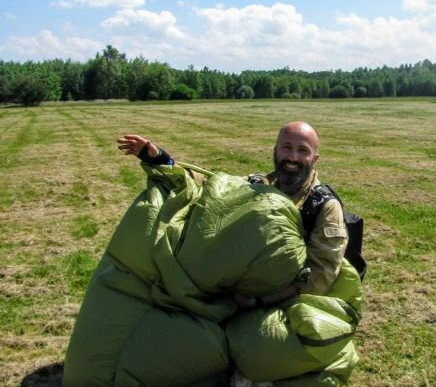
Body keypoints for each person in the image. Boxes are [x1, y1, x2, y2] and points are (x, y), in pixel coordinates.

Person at [117, 121, 348, 304]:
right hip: (243, 284)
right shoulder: (258, 184)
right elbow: (212, 186)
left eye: (302, 151)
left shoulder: (324, 207)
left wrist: (261, 301)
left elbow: (320, 275)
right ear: (276, 150)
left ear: (315, 159)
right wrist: (161, 159)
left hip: (285, 297)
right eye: (286, 147)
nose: (293, 158)